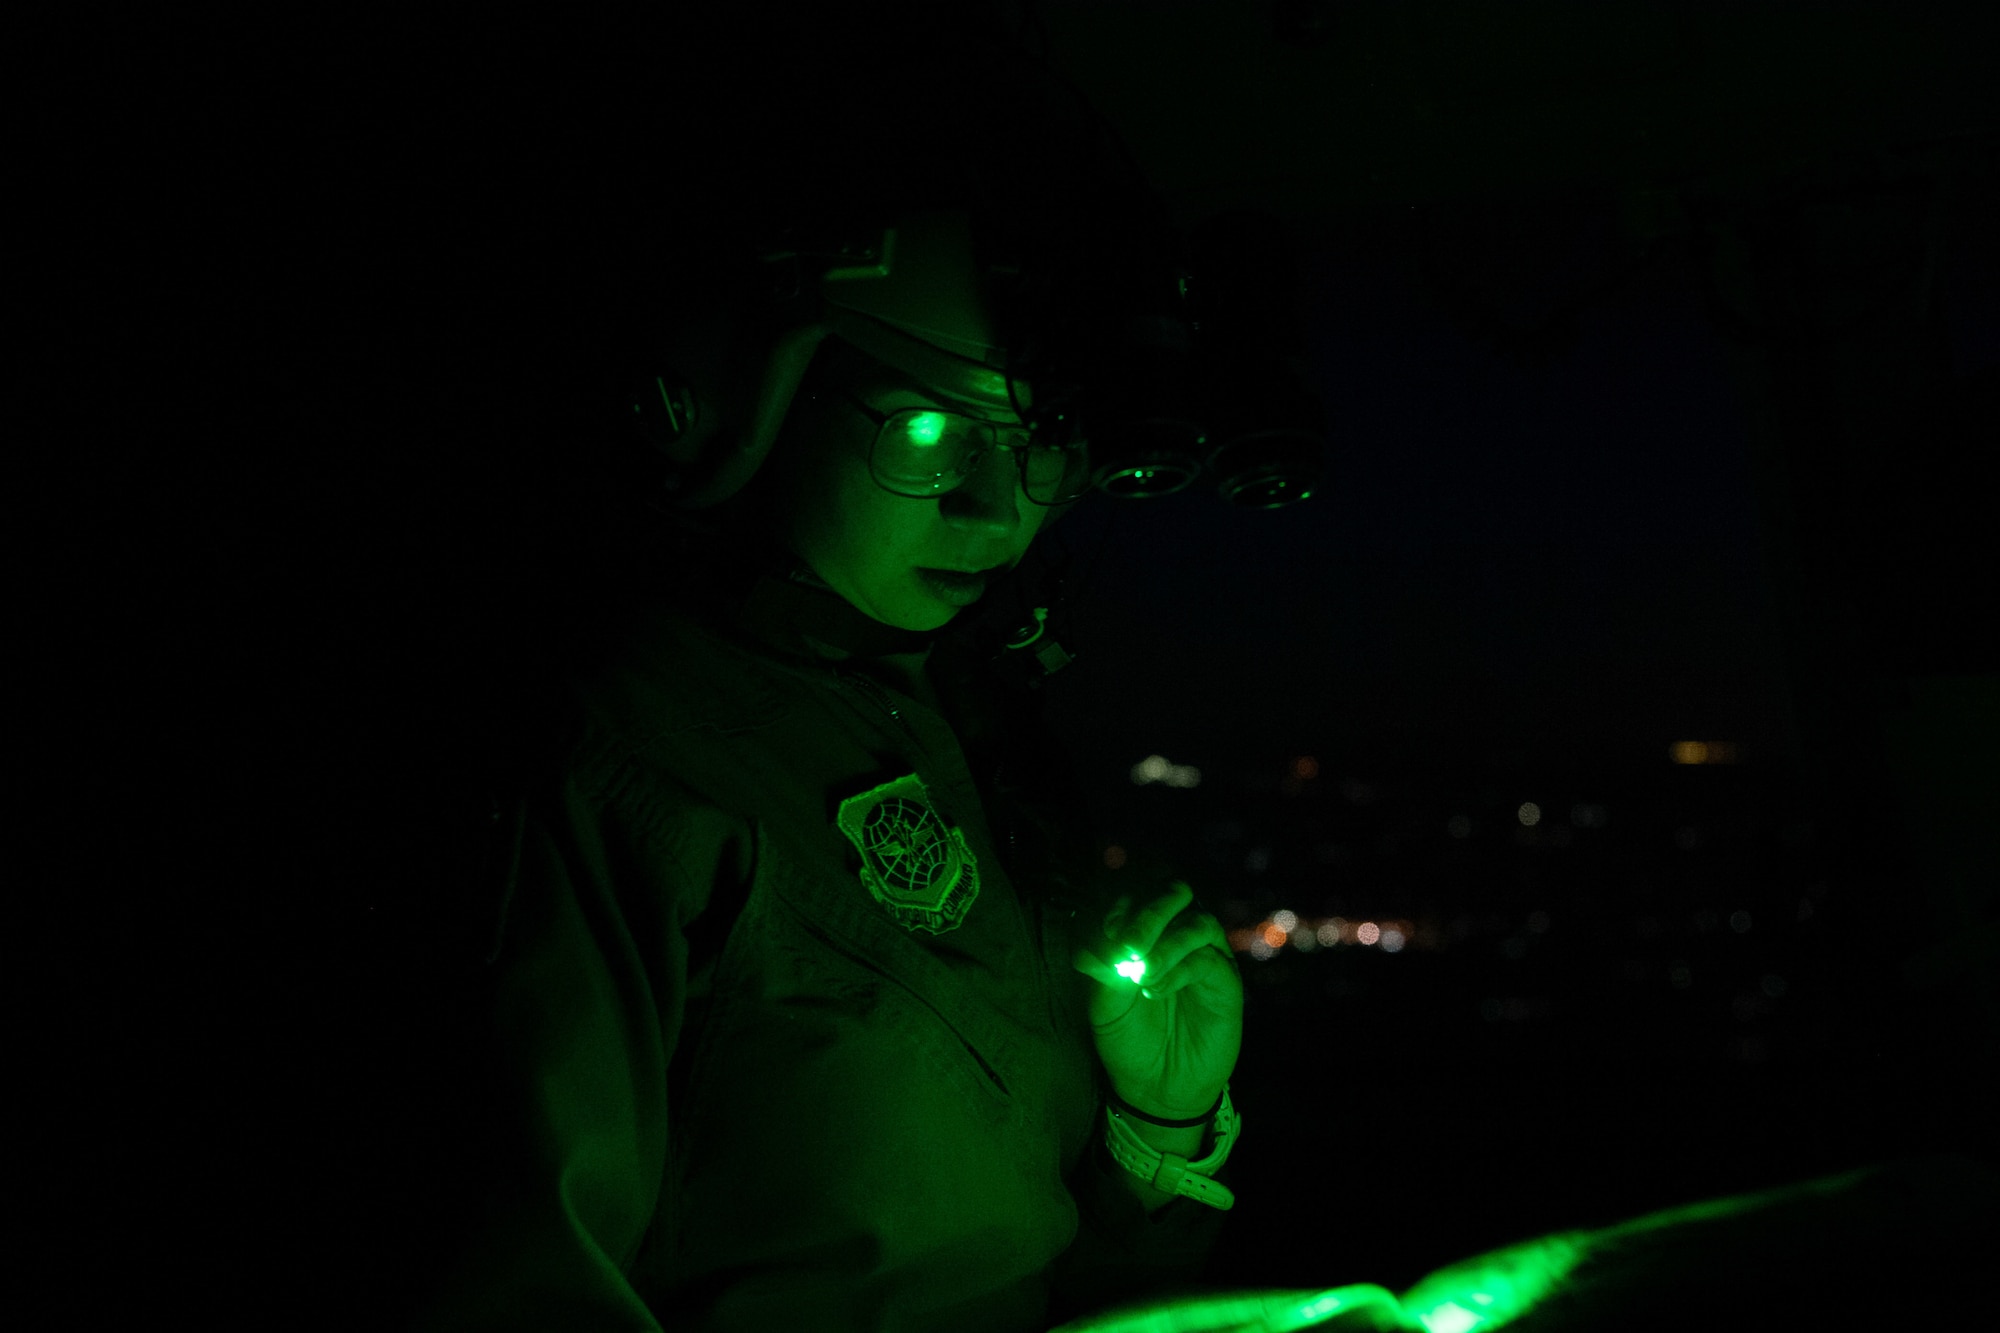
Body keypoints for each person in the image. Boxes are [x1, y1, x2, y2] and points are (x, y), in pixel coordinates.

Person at [394, 14, 1247, 1332]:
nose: (995, 512)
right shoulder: (611, 759)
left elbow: (1031, 1255)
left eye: (1041, 449)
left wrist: (1161, 1113)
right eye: (924, 426)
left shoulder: (960, 723)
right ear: (749, 396)